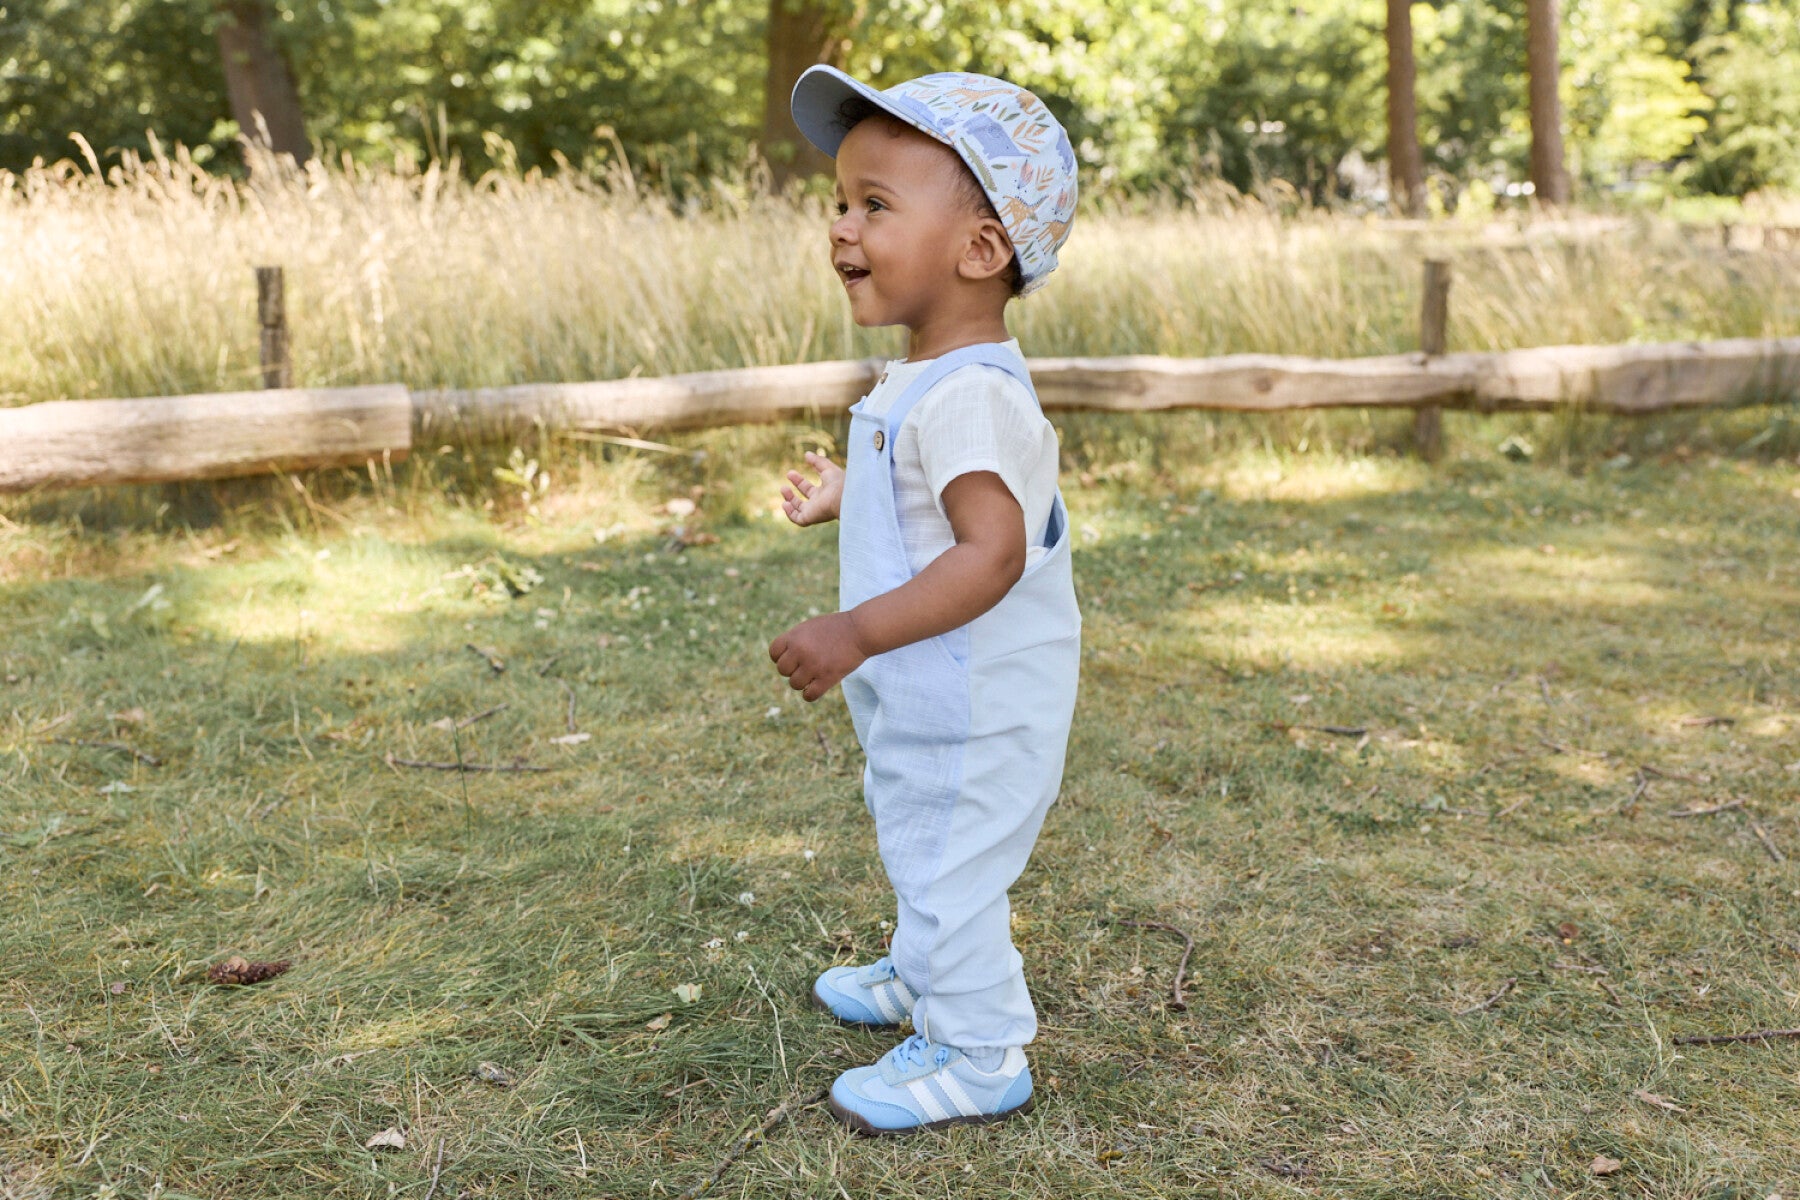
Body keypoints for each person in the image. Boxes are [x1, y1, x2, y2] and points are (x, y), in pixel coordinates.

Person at [768, 65, 1080, 1135]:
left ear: (980, 250)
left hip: (974, 702)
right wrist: (852, 495)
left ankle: (980, 1051)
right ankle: (923, 972)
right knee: (920, 838)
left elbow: (989, 554)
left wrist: (854, 630)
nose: (841, 227)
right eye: (841, 202)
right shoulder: (937, 379)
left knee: (949, 862)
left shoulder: (972, 396)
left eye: (875, 205)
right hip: (935, 689)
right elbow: (931, 501)